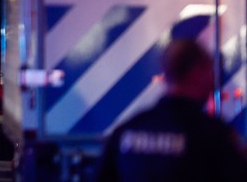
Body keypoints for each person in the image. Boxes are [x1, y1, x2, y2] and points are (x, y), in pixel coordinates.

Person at [96, 38, 247, 182]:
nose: (213, 80)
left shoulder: (127, 130)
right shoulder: (211, 134)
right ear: (197, 74)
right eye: (209, 72)